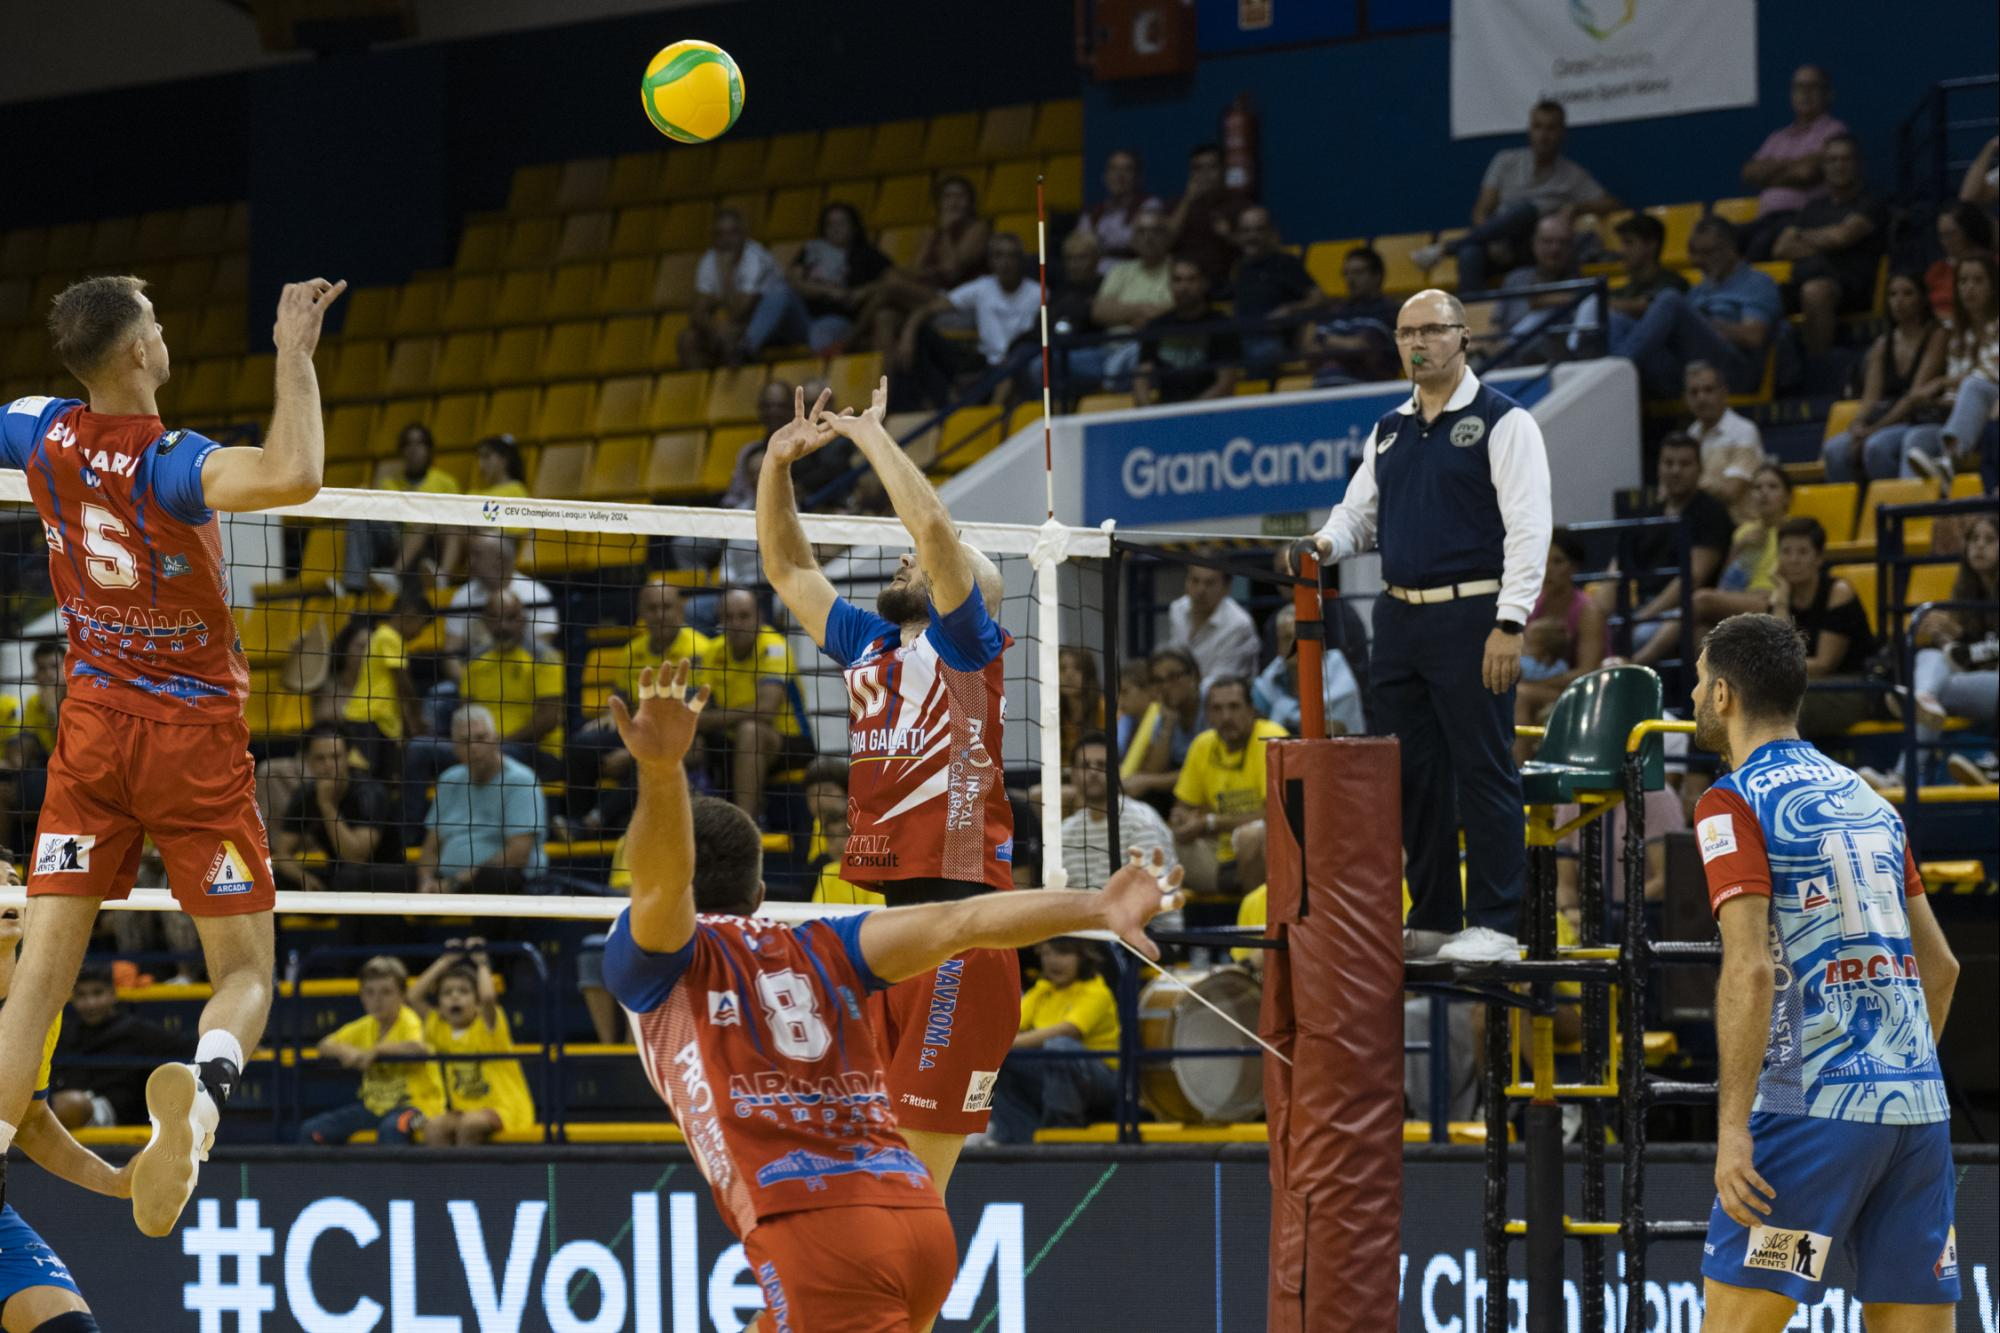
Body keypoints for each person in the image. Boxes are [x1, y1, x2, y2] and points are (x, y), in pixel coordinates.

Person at [598, 660, 1184, 1331]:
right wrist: (1095, 906)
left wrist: (662, 769)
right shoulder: (824, 940)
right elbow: (961, 921)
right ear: (762, 897)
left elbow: (666, 888)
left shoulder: (660, 957)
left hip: (820, 1235)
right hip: (915, 1221)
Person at [0, 272, 345, 1238]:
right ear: (137, 355)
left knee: (37, 982)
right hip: (192, 742)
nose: (164, 328)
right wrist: (293, 354)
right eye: (154, 320)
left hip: (92, 731)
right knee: (244, 972)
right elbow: (296, 474)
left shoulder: (37, 427)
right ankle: (203, 1091)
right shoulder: (174, 463)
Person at [757, 378, 1021, 1222]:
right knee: (869, 1179)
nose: (903, 559)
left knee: (911, 1197)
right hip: (890, 933)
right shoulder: (871, 646)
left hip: (962, 934)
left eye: (916, 562)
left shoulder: (967, 643)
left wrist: (873, 436)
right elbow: (787, 566)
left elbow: (936, 531)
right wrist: (775, 465)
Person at [1688, 612, 1959, 1329]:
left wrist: (1733, 1127)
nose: (1690, 696)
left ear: (1723, 695)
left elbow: (1748, 970)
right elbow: (1942, 967)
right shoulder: (1871, 797)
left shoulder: (1731, 801)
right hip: (1917, 1118)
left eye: (1695, 680)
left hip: (1812, 1119)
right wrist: (1892, 1074)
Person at [1298, 289, 1552, 962]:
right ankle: (1436, 915)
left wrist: (1511, 619)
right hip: (1398, 617)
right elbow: (1357, 514)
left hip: (1474, 615)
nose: (1419, 342)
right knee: (1413, 777)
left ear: (1463, 337)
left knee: (1484, 768)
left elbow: (1530, 529)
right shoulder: (1388, 429)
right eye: (1407, 331)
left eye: (1433, 329)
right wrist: (1322, 544)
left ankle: (1497, 923)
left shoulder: (1505, 421)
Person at [0, 903, 135, 1332]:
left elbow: (31, 1121)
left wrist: (115, 1181)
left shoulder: (41, 1007)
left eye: (13, 880)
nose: (8, 890)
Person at [1411, 100, 1619, 292]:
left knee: (1527, 211)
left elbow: (1611, 203)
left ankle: (1448, 247)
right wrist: (1492, 241)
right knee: (1470, 254)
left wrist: (1577, 208)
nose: (1543, 135)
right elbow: (1481, 211)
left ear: (1562, 133)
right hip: (1497, 245)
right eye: (1538, 127)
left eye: (1551, 128)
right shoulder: (1505, 161)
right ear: (1529, 130)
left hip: (1534, 251)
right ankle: (1471, 324)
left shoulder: (1572, 174)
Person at [569, 580, 713, 832]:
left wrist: (631, 752)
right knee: (581, 745)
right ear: (641, 612)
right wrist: (609, 718)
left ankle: (594, 820)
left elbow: (691, 714)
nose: (659, 615)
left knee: (651, 759)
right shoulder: (630, 651)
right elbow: (621, 702)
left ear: (680, 610)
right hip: (640, 731)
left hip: (681, 737)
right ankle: (574, 820)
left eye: (666, 607)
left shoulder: (701, 649)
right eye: (652, 608)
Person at [1611, 217, 1782, 399]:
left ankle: (1614, 374)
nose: (1698, 261)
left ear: (1731, 249)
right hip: (1688, 374)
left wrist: (1706, 324)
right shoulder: (1699, 290)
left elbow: (1753, 336)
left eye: (1707, 253)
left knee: (1670, 299)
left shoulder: (1756, 283)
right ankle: (1607, 378)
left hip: (1733, 373)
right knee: (1616, 320)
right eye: (1694, 253)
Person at [300, 955, 443, 1146]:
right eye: (370, 992)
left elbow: (417, 1048)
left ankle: (396, 1178)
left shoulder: (410, 1021)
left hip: (418, 1108)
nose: (377, 1000)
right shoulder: (365, 1025)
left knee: (392, 1129)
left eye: (386, 992)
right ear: (361, 996)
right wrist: (345, 1052)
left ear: (402, 995)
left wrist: (376, 1051)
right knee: (311, 1131)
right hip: (373, 1107)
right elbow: (324, 1045)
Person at [694, 587, 811, 820]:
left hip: (788, 740)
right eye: (729, 617)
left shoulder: (774, 647)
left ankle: (745, 824)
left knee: (751, 732)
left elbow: (766, 711)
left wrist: (714, 718)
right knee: (684, 741)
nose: (736, 623)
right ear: (720, 621)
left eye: (744, 615)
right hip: (731, 738)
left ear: (759, 618)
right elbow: (697, 714)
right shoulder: (712, 651)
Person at [988, 939, 1119, 1144]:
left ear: (1083, 957)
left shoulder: (1097, 992)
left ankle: (1061, 1132)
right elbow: (1009, 1026)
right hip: (1052, 1071)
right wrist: (990, 1045)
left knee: (1060, 1047)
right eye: (1047, 954)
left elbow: (1068, 1030)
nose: (1053, 962)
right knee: (994, 1061)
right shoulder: (1042, 990)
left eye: (1063, 954)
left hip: (1103, 1079)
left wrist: (1003, 1044)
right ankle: (1018, 1139)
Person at [405, 939, 535, 1147]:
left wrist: (482, 963)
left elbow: (489, 997)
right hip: (463, 1108)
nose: (455, 997)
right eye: (447, 993)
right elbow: (412, 997)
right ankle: (444, 1180)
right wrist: (445, 961)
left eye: (464, 992)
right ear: (439, 1003)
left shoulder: (488, 1024)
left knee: (469, 1125)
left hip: (504, 1107)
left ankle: (468, 1180)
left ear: (476, 1002)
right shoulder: (439, 1027)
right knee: (433, 1128)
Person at [1624, 434, 1738, 668]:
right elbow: (1618, 566)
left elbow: (1694, 577)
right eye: (1668, 463)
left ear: (1699, 469)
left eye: (1684, 464)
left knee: (1639, 635)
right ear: (1658, 468)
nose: (1675, 470)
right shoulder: (1648, 513)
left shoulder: (1711, 512)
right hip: (1644, 606)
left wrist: (1644, 616)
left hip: (1684, 609)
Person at [1821, 272, 1946, 482]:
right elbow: (1871, 397)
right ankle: (1856, 510)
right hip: (1883, 418)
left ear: (1923, 298)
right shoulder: (1882, 344)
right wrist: (1859, 424)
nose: (1899, 301)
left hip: (1916, 419)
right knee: (1834, 449)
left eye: (1908, 294)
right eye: (1892, 294)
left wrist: (1874, 430)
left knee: (1877, 447)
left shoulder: (1937, 335)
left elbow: (1913, 398)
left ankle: (1889, 506)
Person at [1169, 676, 1285, 901]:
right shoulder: (1202, 744)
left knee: (1252, 837)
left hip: (1265, 850)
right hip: (1215, 854)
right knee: (1158, 838)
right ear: (1208, 715)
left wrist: (1211, 822)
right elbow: (1183, 805)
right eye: (1217, 709)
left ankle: (1254, 920)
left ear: (1251, 710)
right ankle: (1230, 881)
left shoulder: (1272, 738)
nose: (1226, 717)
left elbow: (1276, 815)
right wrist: (1181, 819)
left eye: (1234, 707)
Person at [1771, 135, 1887, 357]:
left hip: (1852, 286)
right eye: (1832, 160)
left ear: (1857, 164)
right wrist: (1827, 240)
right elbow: (1781, 248)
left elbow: (1842, 237)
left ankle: (1819, 367)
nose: (1838, 166)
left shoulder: (1871, 202)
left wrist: (1803, 237)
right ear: (1824, 166)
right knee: (1761, 294)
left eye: (1845, 159)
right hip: (1805, 279)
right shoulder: (1813, 207)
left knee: (1816, 290)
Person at [415, 704, 549, 895]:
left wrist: (456, 882)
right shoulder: (449, 779)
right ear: (454, 748)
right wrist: (426, 880)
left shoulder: (522, 781)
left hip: (503, 883)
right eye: (465, 741)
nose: (474, 748)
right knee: (384, 879)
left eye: (481, 738)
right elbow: (430, 847)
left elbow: (518, 854)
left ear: (496, 739)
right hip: (447, 882)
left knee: (493, 878)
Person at [1768, 517, 1877, 742]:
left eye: (1802, 552)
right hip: (1806, 685)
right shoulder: (1781, 596)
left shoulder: (1838, 592)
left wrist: (1776, 670)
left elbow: (1824, 664)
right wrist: (1780, 602)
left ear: (1819, 558)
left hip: (1853, 686)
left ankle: (1792, 774)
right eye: (1786, 552)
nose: (1793, 560)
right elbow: (1781, 655)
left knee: (1787, 707)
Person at [898, 232, 1039, 405]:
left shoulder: (1039, 294)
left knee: (1016, 366)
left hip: (1021, 368)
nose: (1005, 262)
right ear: (990, 261)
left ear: (1021, 260)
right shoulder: (983, 287)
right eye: (998, 256)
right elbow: (928, 309)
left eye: (1012, 256)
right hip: (988, 366)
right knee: (928, 341)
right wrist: (908, 332)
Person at [865, 175, 991, 365]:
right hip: (931, 300)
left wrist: (947, 231)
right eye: (948, 197)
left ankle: (849, 338)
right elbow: (919, 270)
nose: (954, 202)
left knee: (890, 286)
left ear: (970, 202)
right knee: (884, 317)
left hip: (959, 304)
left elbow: (952, 270)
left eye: (960, 196)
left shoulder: (978, 229)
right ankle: (888, 389)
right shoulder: (934, 233)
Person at [49, 963, 190, 1129]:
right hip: (66, 1113)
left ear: (113, 994)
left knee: (71, 1104)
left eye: (98, 993)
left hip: (113, 1115)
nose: (91, 1003)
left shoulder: (137, 1030)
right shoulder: (65, 1032)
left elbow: (186, 1048)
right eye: (81, 995)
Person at [1906, 515, 1999, 766]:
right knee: (1929, 657)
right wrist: (1941, 636)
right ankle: (1922, 695)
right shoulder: (1965, 591)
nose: (1979, 546)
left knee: (1935, 693)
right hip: (1973, 679)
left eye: (1990, 540)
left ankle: (1918, 695)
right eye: (1974, 539)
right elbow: (1962, 655)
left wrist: (1957, 640)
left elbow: (1984, 651)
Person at [747, 201, 893, 357]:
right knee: (778, 289)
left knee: (820, 333)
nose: (836, 229)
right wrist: (829, 292)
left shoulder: (867, 254)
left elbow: (892, 280)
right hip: (803, 317)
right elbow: (794, 281)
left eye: (841, 223)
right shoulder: (811, 250)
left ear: (854, 226)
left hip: (839, 320)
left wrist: (862, 291)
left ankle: (821, 379)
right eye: (830, 224)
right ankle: (746, 348)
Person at [1901, 253, 1999, 481]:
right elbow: (1956, 391)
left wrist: (1942, 382)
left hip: (1994, 407)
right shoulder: (1958, 335)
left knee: (1975, 385)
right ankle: (1914, 514)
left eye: (1978, 280)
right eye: (1963, 281)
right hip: (1963, 417)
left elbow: (1991, 373)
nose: (1969, 288)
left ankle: (1950, 459)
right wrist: (1939, 397)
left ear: (1993, 286)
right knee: (1915, 439)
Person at [273, 725, 404, 893]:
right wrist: (303, 878)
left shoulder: (370, 792)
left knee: (349, 876)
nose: (328, 765)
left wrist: (327, 805)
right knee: (275, 879)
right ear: (308, 761)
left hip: (388, 875)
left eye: (335, 757)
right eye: (320, 758)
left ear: (347, 757)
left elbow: (356, 858)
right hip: (340, 872)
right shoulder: (306, 794)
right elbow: (282, 852)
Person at [1514, 530, 1608, 752]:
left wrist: (1532, 684)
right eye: (1543, 560)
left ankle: (1520, 779)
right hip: (1541, 686)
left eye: (1557, 561)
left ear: (1574, 567)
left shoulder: (1588, 611)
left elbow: (1587, 672)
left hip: (1583, 692)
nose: (1548, 570)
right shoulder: (1532, 604)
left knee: (1519, 695)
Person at [1739, 65, 1849, 253]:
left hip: (1800, 220)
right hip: (1764, 220)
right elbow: (1749, 174)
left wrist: (1769, 175)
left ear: (1827, 94)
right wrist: (1796, 164)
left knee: (1759, 246)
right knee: (1724, 238)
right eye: (1799, 88)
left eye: (1812, 87)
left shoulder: (1833, 131)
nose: (1805, 94)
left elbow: (1806, 174)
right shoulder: (1777, 137)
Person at [344, 422, 458, 592]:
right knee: (359, 517)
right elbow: (379, 518)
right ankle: (354, 586)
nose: (413, 449)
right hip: (395, 539)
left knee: (424, 519)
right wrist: (365, 500)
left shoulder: (445, 482)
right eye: (408, 444)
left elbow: (455, 522)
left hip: (430, 542)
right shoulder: (389, 483)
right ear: (402, 451)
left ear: (429, 450)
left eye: (419, 443)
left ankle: (395, 576)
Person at [1059, 730, 1177, 891]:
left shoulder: (1141, 821)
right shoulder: (1065, 831)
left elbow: (1150, 892)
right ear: (1073, 774)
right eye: (1085, 765)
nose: (1093, 772)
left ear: (1117, 771)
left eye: (1101, 765)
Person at [1693, 464, 1796, 642]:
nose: (1764, 492)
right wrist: (1738, 548)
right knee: (1701, 628)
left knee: (1700, 600)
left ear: (1787, 497)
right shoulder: (1743, 532)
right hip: (1741, 598)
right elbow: (1725, 584)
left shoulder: (1794, 531)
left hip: (1774, 600)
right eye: (1758, 487)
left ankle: (1641, 658)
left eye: (1772, 487)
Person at [678, 206, 781, 369]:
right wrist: (716, 327)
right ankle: (701, 390)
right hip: (728, 326)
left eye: (732, 233)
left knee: (730, 337)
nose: (726, 240)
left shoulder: (756, 258)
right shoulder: (709, 259)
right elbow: (698, 312)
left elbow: (741, 310)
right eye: (720, 234)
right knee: (687, 339)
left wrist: (726, 273)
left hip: (761, 324)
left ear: (743, 234)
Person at [1230, 205, 1326, 375]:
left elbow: (1319, 298)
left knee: (1261, 354)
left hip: (1272, 341)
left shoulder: (1285, 263)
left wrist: (1290, 309)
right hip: (1239, 340)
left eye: (1258, 230)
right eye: (1246, 231)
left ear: (1270, 232)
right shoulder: (1240, 269)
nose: (1252, 236)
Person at [1133, 260, 1242, 405]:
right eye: (1177, 280)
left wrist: (1188, 413)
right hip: (1166, 414)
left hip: (1210, 415)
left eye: (1191, 280)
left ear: (1204, 284)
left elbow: (1225, 384)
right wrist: (1148, 411)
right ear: (1170, 285)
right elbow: (1142, 377)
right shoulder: (1156, 327)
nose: (1184, 287)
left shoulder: (1222, 325)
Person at [1091, 205, 1176, 384]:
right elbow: (1099, 311)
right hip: (1108, 349)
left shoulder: (1179, 271)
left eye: (1155, 231)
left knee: (1134, 364)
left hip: (1153, 351)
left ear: (1168, 237)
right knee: (1044, 366)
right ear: (1133, 239)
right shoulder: (1119, 270)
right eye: (1141, 232)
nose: (1148, 238)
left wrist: (1121, 313)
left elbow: (1170, 315)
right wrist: (1142, 310)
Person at [1253, 604, 1365, 737]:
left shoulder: (1340, 680)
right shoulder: (1266, 684)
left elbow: (1335, 732)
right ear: (1278, 646)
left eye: (1300, 638)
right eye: (1286, 638)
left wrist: (1283, 714)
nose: (1294, 646)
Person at [439, 531, 557, 653]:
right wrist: (462, 673)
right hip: (476, 670)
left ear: (499, 560)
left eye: (477, 555)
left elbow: (543, 649)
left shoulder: (536, 594)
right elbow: (451, 651)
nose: (469, 561)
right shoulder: (463, 595)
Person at [1683, 360, 1767, 522]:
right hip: (1703, 526)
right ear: (1686, 399)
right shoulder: (1691, 434)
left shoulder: (1743, 431)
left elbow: (1731, 491)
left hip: (1741, 526)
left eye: (1708, 390)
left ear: (1724, 392)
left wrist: (1689, 484)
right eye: (1694, 392)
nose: (1701, 398)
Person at [1303, 246, 1399, 386]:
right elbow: (1310, 352)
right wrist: (1345, 346)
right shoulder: (1335, 311)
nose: (1350, 279)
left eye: (1358, 272)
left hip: (1363, 394)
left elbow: (1360, 348)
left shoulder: (1388, 311)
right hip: (1321, 394)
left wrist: (1324, 340)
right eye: (1346, 274)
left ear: (1377, 276)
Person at [1125, 645, 1205, 803]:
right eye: (1159, 681)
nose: (1166, 686)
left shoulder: (1215, 703)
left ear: (1194, 676)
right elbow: (1156, 770)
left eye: (1174, 677)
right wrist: (1168, 724)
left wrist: (1150, 781)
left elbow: (1207, 773)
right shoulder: (1164, 712)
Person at [1166, 143, 1248, 292]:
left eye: (1212, 167)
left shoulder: (1238, 205)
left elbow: (1259, 245)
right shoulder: (1177, 205)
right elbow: (1165, 242)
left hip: (1218, 282)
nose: (1205, 174)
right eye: (1198, 168)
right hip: (1178, 281)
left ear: (1223, 170)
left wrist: (1229, 235)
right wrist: (1187, 201)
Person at [1169, 562, 1259, 686]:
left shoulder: (1239, 625)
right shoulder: (1177, 609)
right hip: (1184, 693)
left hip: (1223, 699)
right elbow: (1173, 660)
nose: (1200, 590)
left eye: (1209, 583)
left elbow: (1219, 683)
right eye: (1195, 581)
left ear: (1226, 588)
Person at [1076, 149, 1160, 273]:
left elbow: (1138, 242)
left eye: (1127, 169)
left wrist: (1099, 243)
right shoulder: (1094, 212)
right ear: (1104, 177)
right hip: (1094, 276)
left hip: (1134, 274)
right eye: (1113, 169)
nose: (1119, 175)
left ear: (1138, 177)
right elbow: (1080, 245)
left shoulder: (1148, 204)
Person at [1049, 229, 1107, 394]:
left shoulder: (1107, 286)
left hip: (1098, 352)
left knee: (1042, 366)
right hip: (1063, 351)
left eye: (1081, 258)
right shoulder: (1059, 292)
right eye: (1069, 259)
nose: (1075, 264)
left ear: (1097, 259)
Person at [1606, 213, 1689, 323]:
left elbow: (1644, 306)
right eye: (1622, 244)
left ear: (1651, 245)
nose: (1622, 251)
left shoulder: (1674, 283)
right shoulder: (1626, 290)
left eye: (1629, 243)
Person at [1926, 201, 1996, 318]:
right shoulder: (1937, 270)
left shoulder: (1993, 265)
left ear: (1969, 231)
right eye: (1942, 235)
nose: (1946, 242)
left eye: (1951, 234)